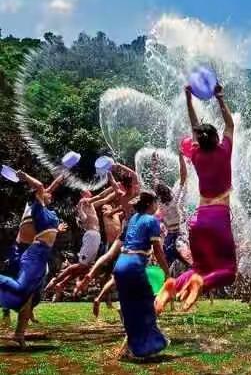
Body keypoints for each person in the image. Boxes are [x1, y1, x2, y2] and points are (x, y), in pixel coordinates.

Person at [155, 83, 236, 313]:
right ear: (217, 138)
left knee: (199, 267)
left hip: (198, 221)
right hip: (218, 219)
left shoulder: (196, 154)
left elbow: (193, 125)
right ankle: (200, 284)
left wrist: (188, 98)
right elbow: (230, 124)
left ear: (199, 140)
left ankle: (171, 285)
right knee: (228, 272)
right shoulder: (224, 151)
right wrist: (220, 98)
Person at [77, 191, 170, 359]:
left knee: (129, 310)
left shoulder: (131, 221)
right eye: (155, 202)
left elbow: (109, 255)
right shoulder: (151, 221)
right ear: (150, 204)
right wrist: (167, 273)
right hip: (134, 265)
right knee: (148, 306)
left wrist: (89, 275)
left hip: (120, 266)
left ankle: (130, 349)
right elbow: (159, 252)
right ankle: (149, 347)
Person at [0, 171, 66, 347]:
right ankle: (14, 322)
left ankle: (19, 333)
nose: (50, 194)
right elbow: (43, 188)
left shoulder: (45, 210)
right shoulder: (33, 203)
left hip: (33, 252)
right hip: (21, 250)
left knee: (30, 294)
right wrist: (28, 177)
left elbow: (47, 191)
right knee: (22, 291)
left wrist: (60, 177)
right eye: (47, 193)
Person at [46, 190, 105, 301]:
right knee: (82, 266)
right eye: (87, 191)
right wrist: (113, 182)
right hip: (91, 235)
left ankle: (61, 284)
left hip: (95, 235)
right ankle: (55, 281)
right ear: (83, 194)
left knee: (85, 268)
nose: (90, 191)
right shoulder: (84, 201)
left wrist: (116, 190)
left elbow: (104, 199)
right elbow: (101, 196)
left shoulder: (89, 204)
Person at [153, 151, 190, 268]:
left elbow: (155, 178)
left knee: (167, 263)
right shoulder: (174, 201)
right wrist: (180, 158)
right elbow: (183, 176)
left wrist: (154, 163)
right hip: (180, 235)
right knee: (188, 261)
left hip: (169, 237)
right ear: (168, 191)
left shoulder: (159, 203)